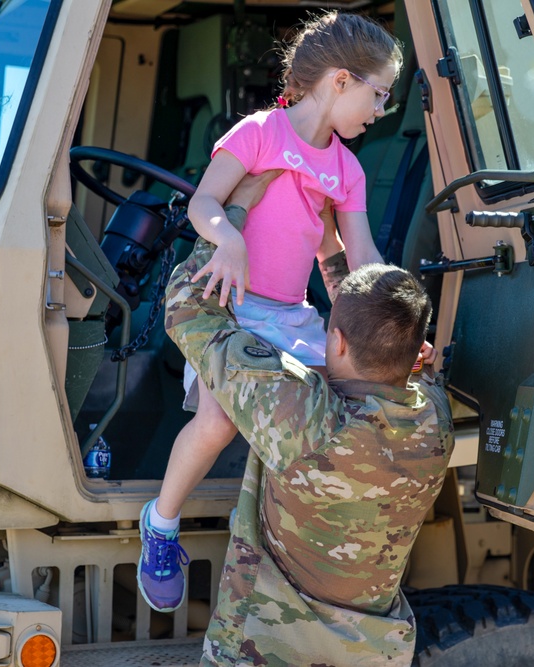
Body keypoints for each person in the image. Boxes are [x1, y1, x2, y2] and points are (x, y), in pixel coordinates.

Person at [137, 10, 430, 613]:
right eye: (378, 95)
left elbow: (363, 258)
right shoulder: (260, 133)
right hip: (234, 310)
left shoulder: (346, 169)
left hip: (292, 317)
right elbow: (205, 204)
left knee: (344, 412)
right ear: (341, 81)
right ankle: (160, 525)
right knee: (218, 421)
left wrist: (396, 333)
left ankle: (305, 554)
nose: (380, 111)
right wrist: (231, 240)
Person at [160, 183, 453, 665]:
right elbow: (406, 359)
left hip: (264, 651)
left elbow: (187, 306)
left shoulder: (304, 415)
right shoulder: (433, 422)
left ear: (334, 342)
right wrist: (331, 249)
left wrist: (233, 213)